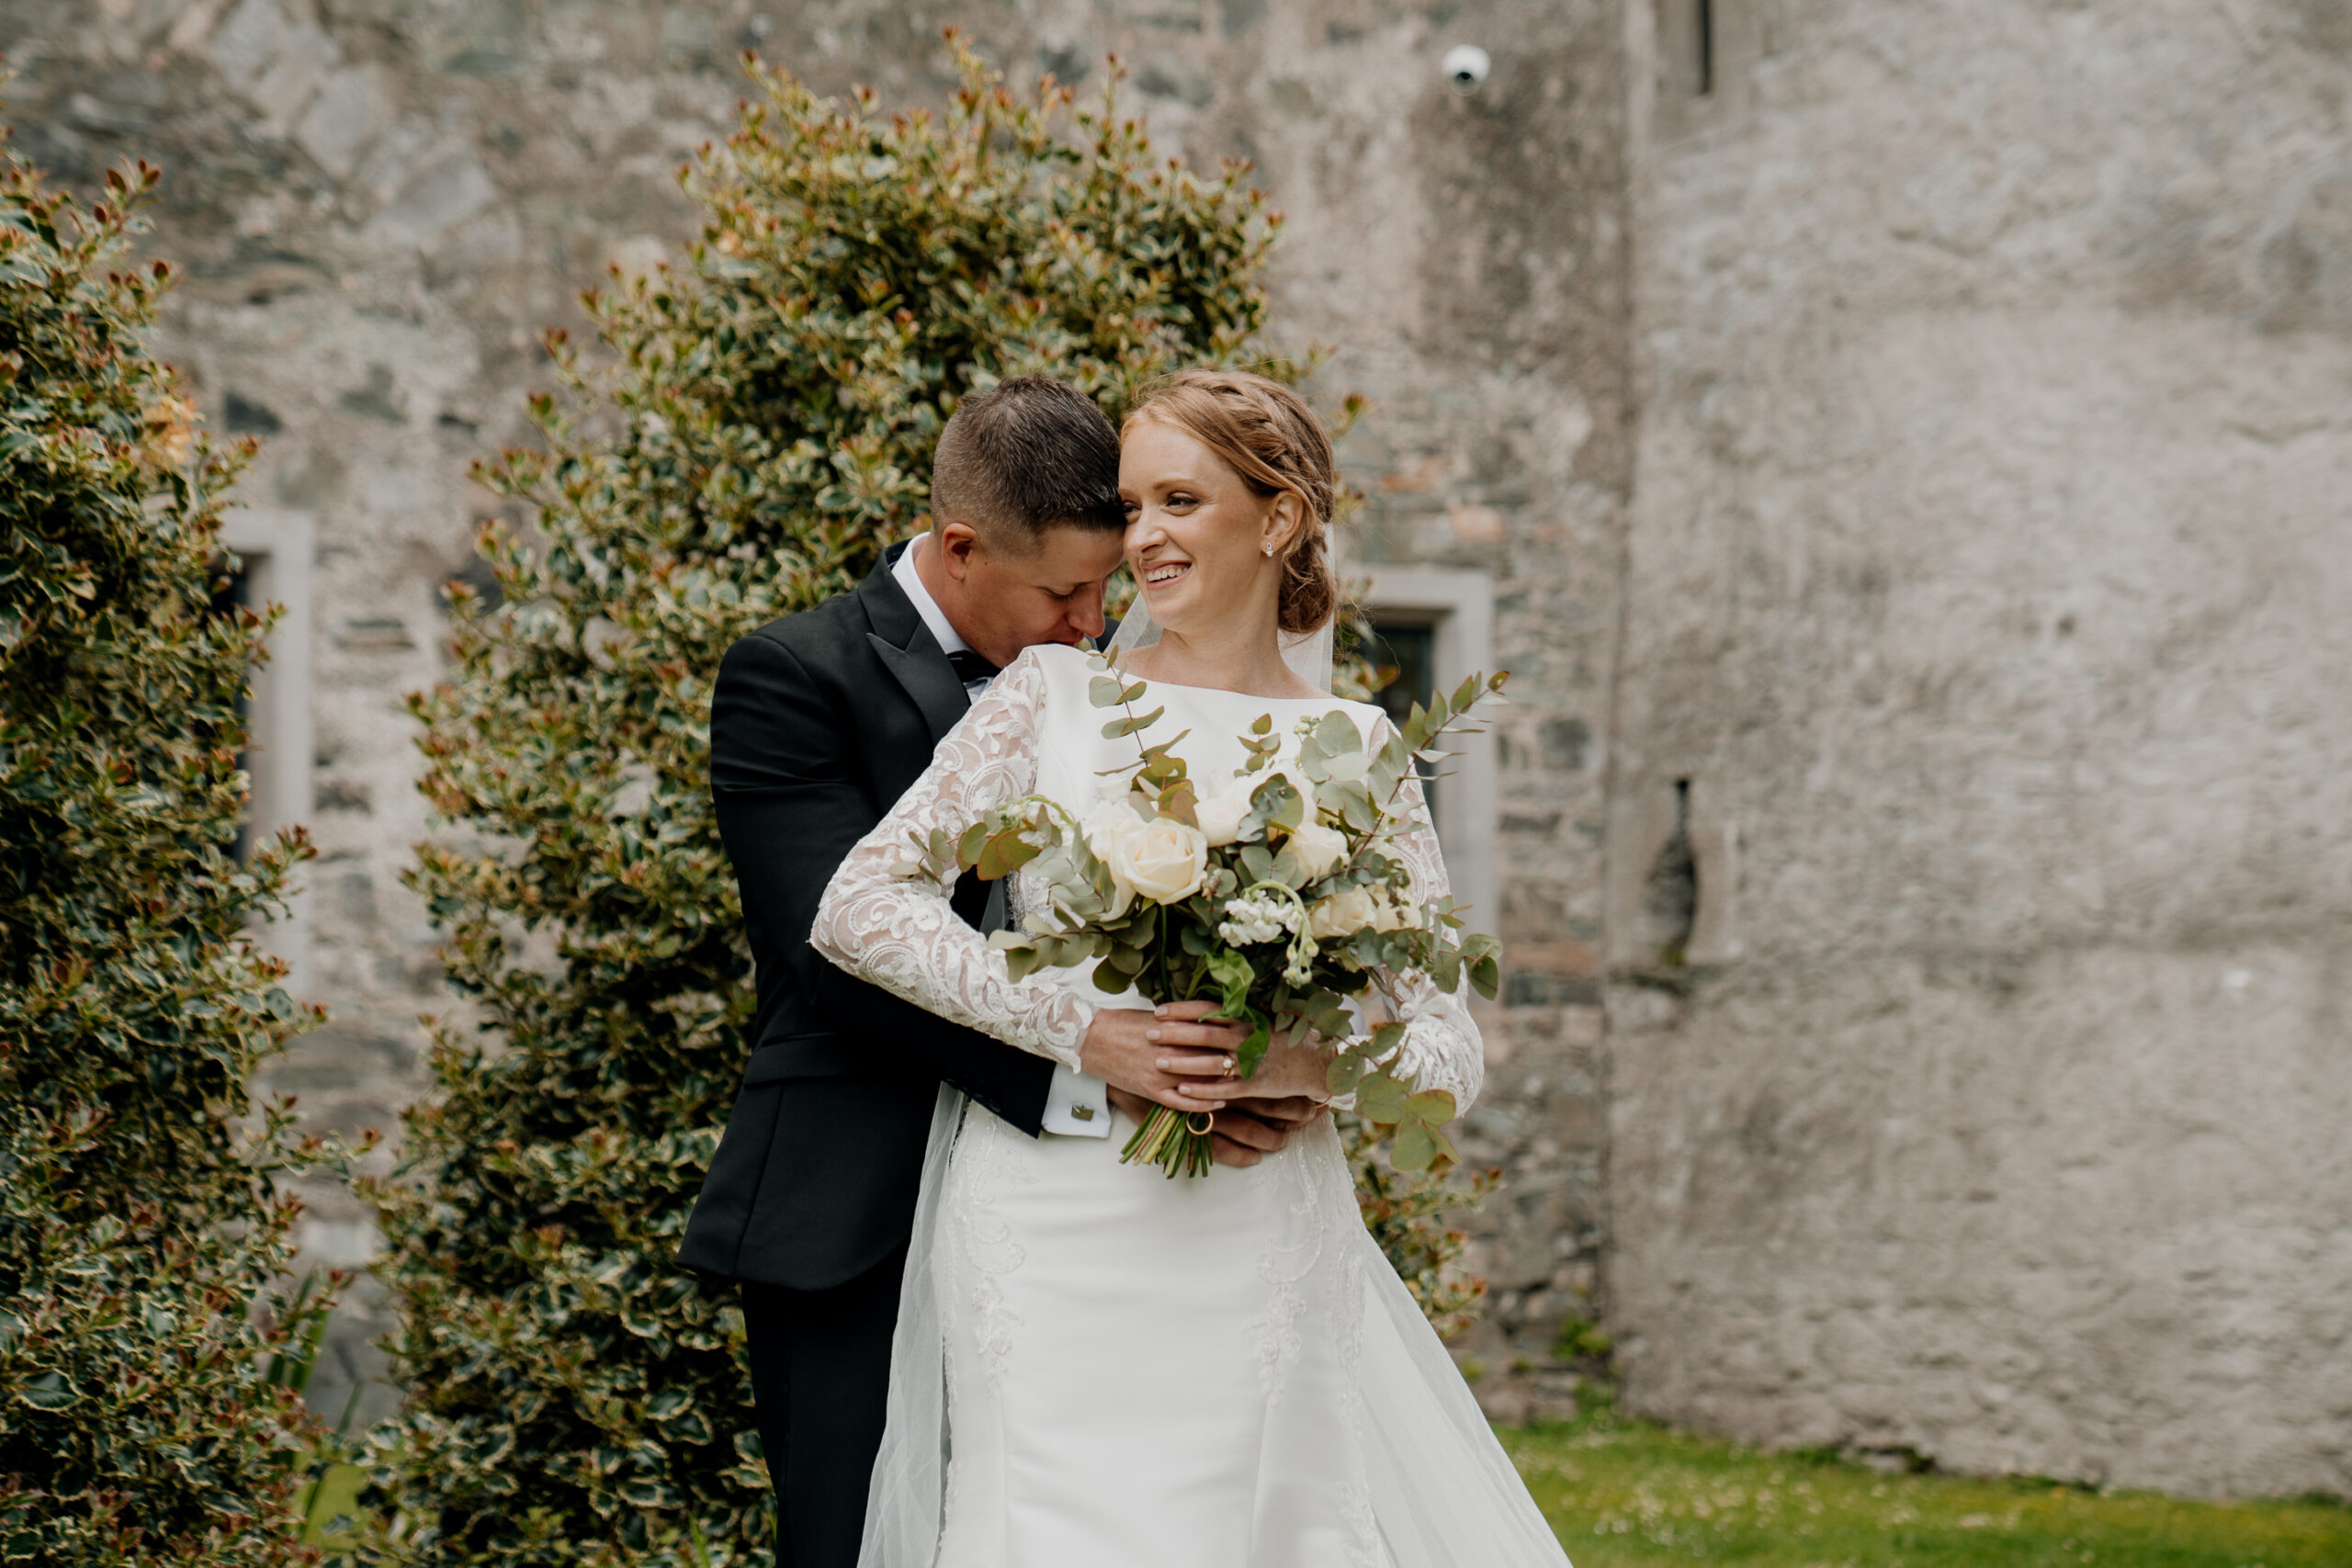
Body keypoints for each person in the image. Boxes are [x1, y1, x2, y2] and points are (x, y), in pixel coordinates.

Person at [810, 369, 1574, 1566]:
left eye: (1178, 499)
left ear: (1278, 520)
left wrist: (1316, 1067)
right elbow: (859, 906)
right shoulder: (1048, 703)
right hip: (1055, 1217)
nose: (1142, 537)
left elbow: (1449, 1044)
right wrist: (1082, 1030)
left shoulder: (1362, 751)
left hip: (1260, 1225)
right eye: (1133, 506)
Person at [679, 375, 1329, 1568]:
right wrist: (1100, 1064)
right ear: (963, 547)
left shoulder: (1117, 698)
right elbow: (837, 959)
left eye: (1109, 583)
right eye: (1066, 592)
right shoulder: (789, 674)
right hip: (855, 1209)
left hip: (1100, 1222)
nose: (1094, 620)